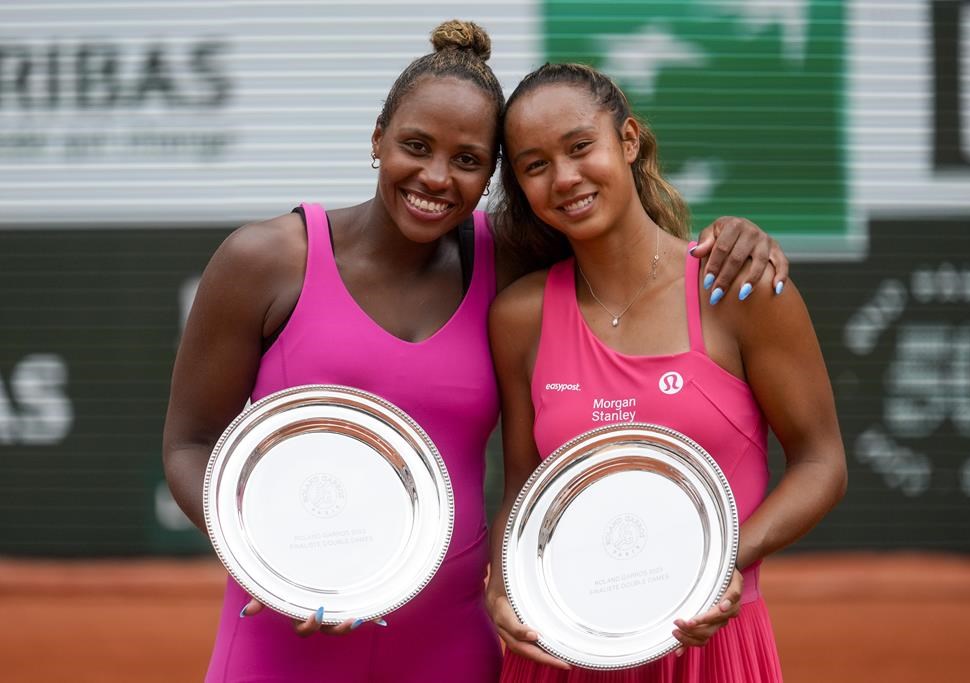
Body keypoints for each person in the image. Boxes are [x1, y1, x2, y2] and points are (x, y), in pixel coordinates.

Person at [162, 20, 790, 683]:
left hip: (451, 648)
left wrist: (735, 235)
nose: (435, 177)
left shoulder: (511, 259)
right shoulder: (264, 259)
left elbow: (632, 254)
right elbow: (190, 444)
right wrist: (272, 556)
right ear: (377, 139)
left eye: (467, 160)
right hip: (286, 640)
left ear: (492, 172)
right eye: (415, 146)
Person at [486, 62, 847, 682]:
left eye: (580, 147)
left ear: (628, 141)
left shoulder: (737, 286)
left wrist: (726, 561)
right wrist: (503, 592)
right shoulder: (519, 316)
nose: (565, 178)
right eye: (535, 165)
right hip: (566, 649)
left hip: (709, 647)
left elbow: (822, 462)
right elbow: (524, 488)